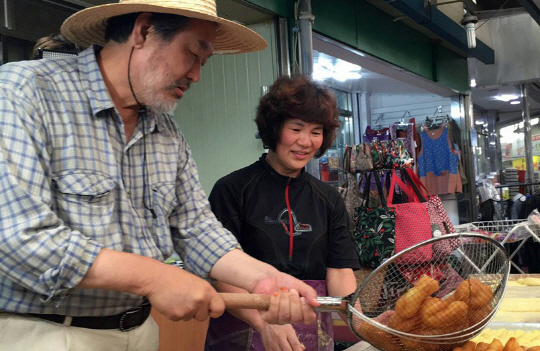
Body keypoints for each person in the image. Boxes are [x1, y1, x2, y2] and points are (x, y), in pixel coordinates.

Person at [0, 1, 321, 350]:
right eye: (192, 54)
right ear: (142, 31)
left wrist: (264, 278)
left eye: (204, 62)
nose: (196, 75)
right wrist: (154, 278)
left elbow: (196, 227)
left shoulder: (165, 128)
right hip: (44, 332)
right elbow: (18, 238)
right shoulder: (23, 93)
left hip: (139, 331)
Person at [205, 75, 360, 351]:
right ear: (275, 128)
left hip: (312, 328)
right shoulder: (232, 189)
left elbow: (339, 272)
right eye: (296, 128)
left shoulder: (328, 198)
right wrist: (265, 323)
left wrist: (363, 322)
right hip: (243, 328)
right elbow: (222, 275)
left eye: (316, 131)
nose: (305, 141)